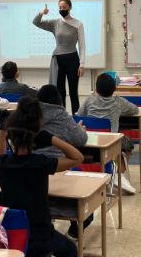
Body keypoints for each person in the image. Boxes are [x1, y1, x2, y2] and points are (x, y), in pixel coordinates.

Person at [0, 96, 82, 257]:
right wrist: (51, 138)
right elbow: (77, 158)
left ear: (10, 137)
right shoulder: (40, 163)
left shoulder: (2, 164)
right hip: (40, 236)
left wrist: (3, 130)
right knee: (71, 250)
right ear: (35, 137)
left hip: (11, 234)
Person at [36, 84, 90, 240]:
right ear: (59, 100)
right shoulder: (61, 115)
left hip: (33, 167)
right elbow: (81, 139)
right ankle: (74, 231)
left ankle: (47, 227)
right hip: (60, 166)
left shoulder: (29, 114)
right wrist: (79, 129)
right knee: (85, 194)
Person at [77, 73, 138, 194]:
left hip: (90, 142)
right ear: (114, 89)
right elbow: (134, 109)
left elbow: (79, 114)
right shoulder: (118, 101)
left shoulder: (89, 100)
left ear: (96, 89)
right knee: (128, 144)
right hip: (112, 143)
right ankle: (117, 174)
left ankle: (111, 173)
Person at [33, 0, 85, 113]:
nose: (62, 9)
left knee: (73, 92)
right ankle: (62, 118)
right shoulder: (55, 23)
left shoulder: (78, 24)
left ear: (70, 7)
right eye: (60, 7)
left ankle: (76, 119)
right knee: (60, 92)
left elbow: (82, 45)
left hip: (73, 60)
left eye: (64, 7)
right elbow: (35, 22)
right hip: (58, 61)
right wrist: (42, 13)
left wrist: (82, 64)